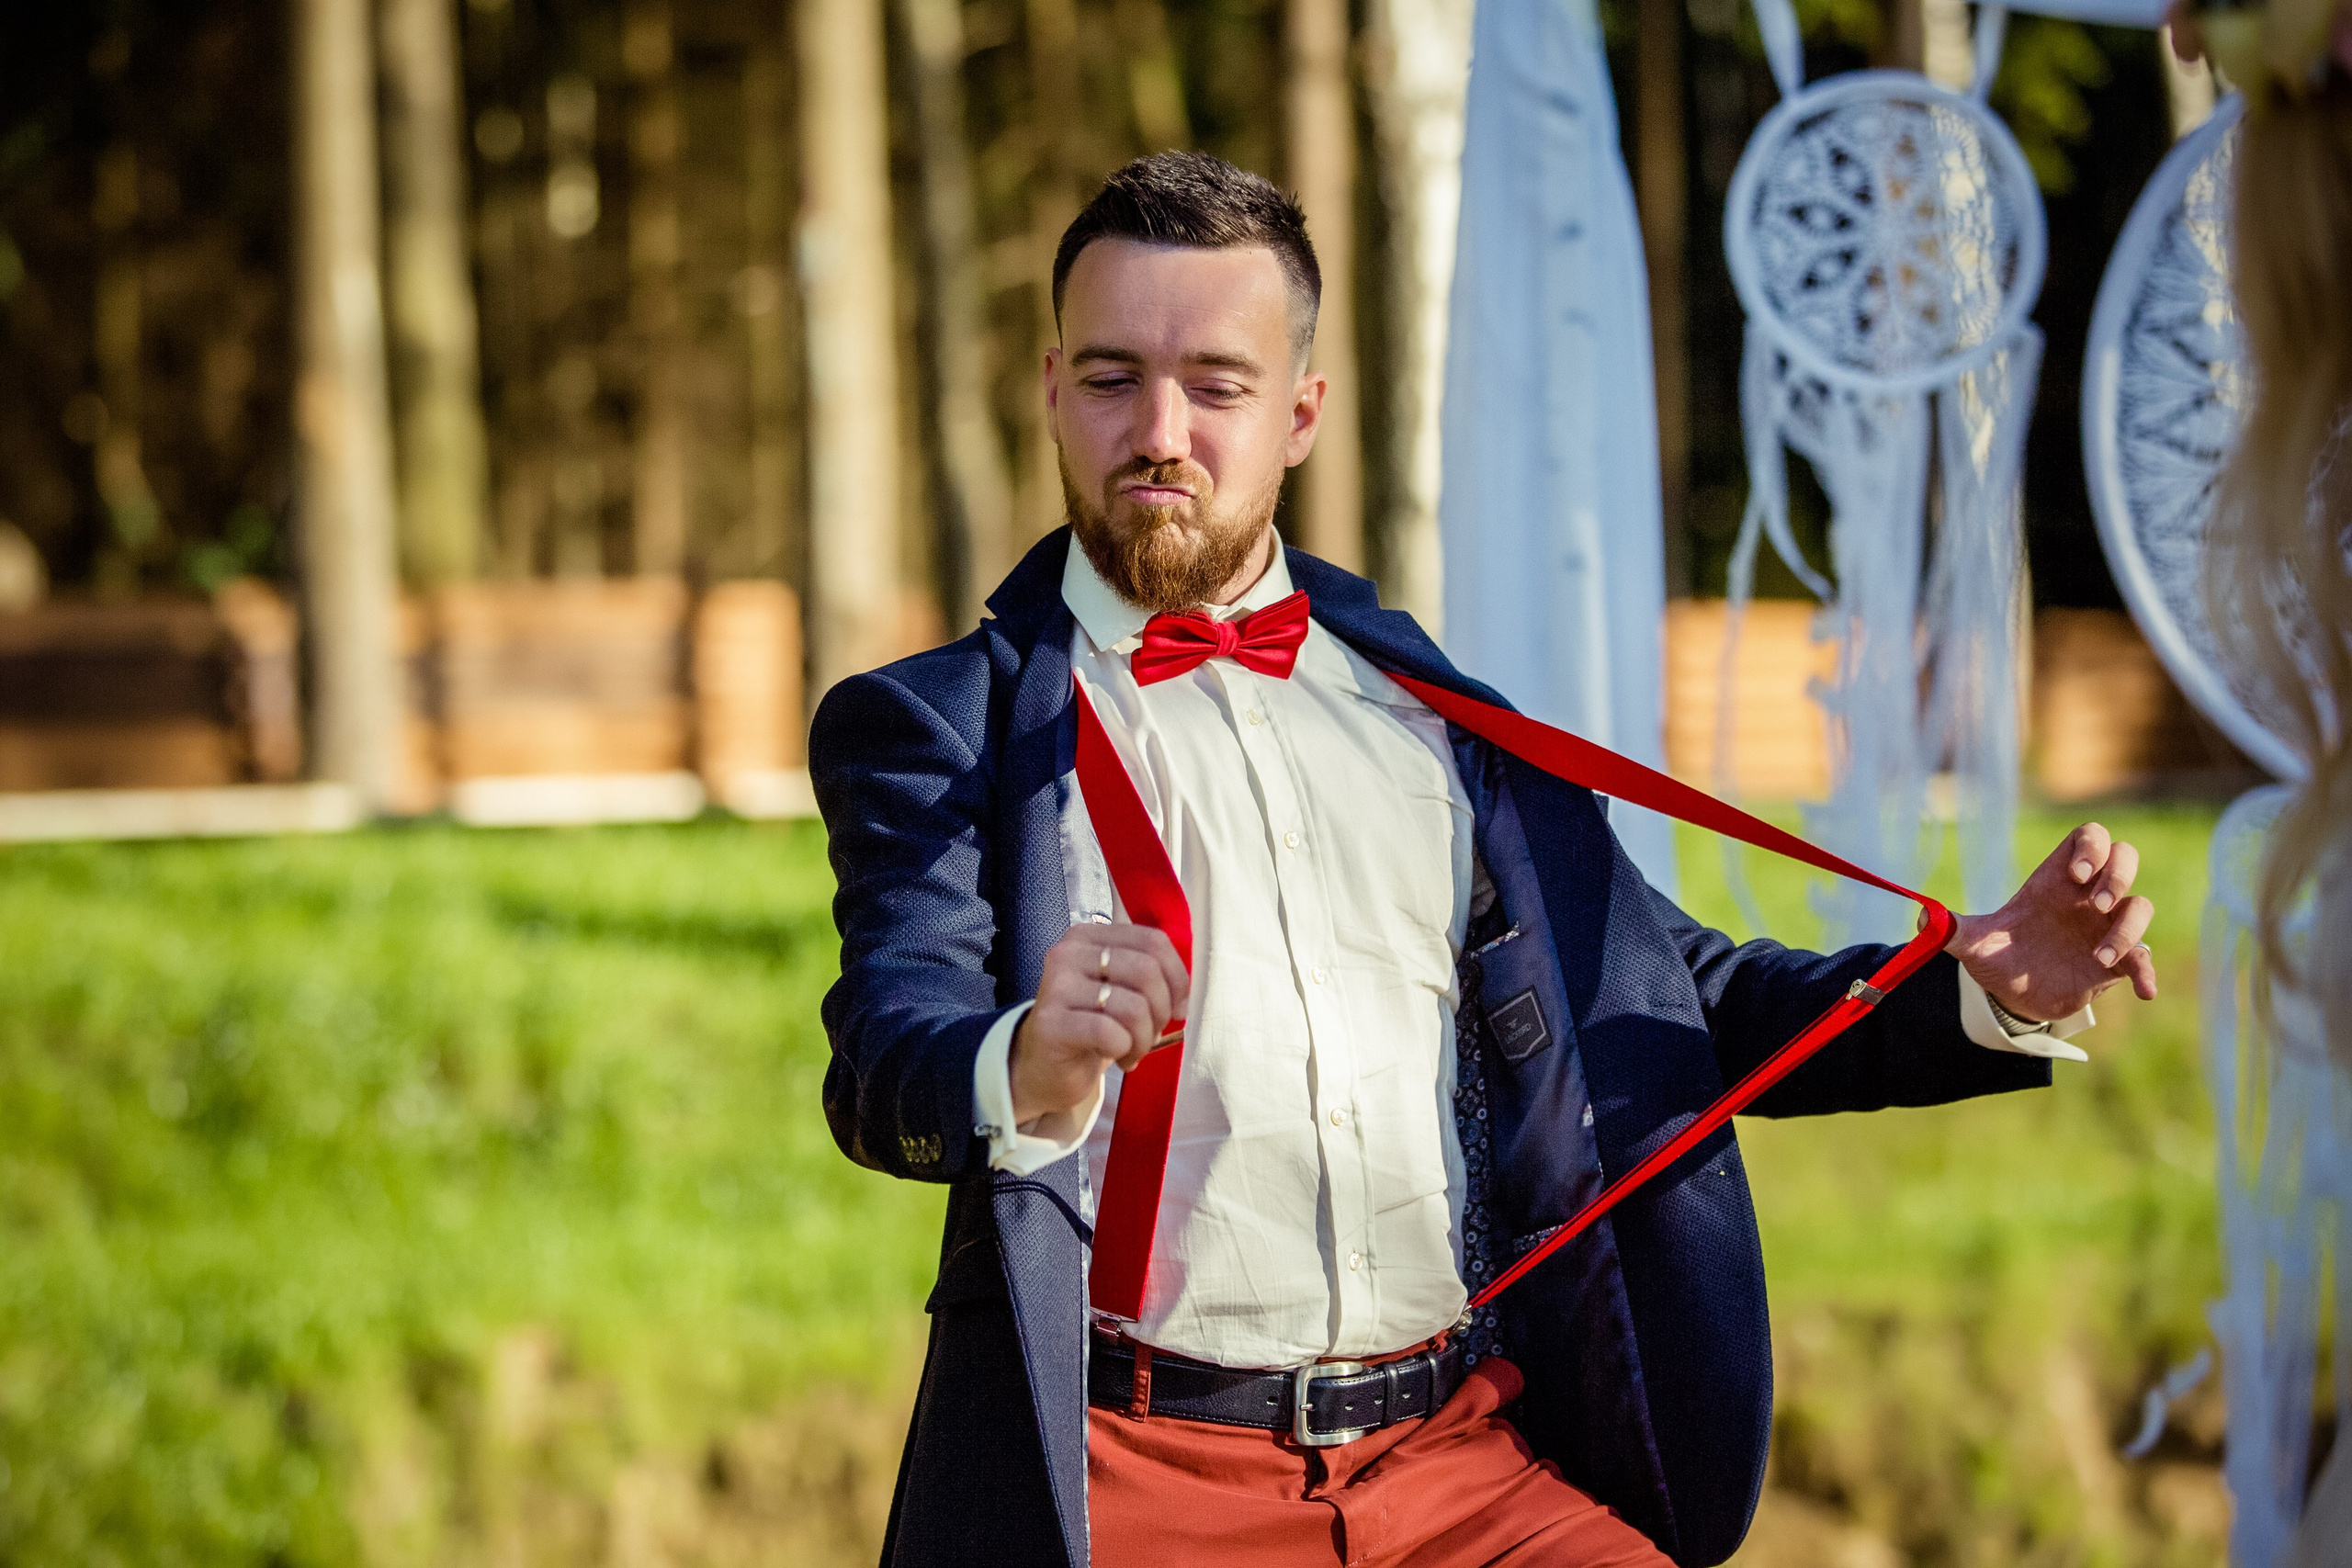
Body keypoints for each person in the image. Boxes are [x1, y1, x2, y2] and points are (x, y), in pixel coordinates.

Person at [811, 151, 2159, 1568]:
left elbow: (1670, 999)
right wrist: (1020, 1063)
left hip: (1455, 1464)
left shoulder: (1427, 710)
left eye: (1216, 384)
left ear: (1302, 414)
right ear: (1049, 392)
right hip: (1132, 1478)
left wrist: (1973, 988)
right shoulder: (932, 723)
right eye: (1109, 379)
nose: (1160, 431)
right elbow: (885, 1054)